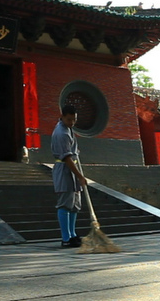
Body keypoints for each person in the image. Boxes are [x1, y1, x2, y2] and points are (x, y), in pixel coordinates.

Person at [51, 104, 88, 248]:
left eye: (74, 119)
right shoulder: (61, 133)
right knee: (65, 204)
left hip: (72, 167)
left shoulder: (68, 129)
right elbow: (66, 158)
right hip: (64, 169)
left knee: (74, 205)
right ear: (62, 117)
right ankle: (66, 238)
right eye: (69, 119)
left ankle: (72, 234)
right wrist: (79, 176)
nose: (72, 122)